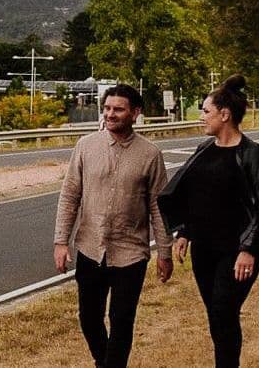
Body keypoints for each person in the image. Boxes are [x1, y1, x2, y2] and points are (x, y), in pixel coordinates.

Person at [54, 84, 173, 367]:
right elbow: (70, 195)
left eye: (118, 109)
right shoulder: (85, 146)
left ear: (135, 113)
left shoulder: (150, 154)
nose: (110, 114)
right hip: (90, 248)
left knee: (121, 320)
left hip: (130, 253)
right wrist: (61, 241)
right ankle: (103, 361)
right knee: (89, 318)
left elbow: (159, 207)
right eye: (107, 108)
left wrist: (164, 252)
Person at [160, 74, 259, 368]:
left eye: (206, 111)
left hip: (236, 252)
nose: (201, 117)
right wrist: (183, 231)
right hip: (205, 250)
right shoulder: (204, 151)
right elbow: (190, 194)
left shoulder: (253, 155)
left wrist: (248, 249)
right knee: (216, 314)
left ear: (225, 114)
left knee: (224, 310)